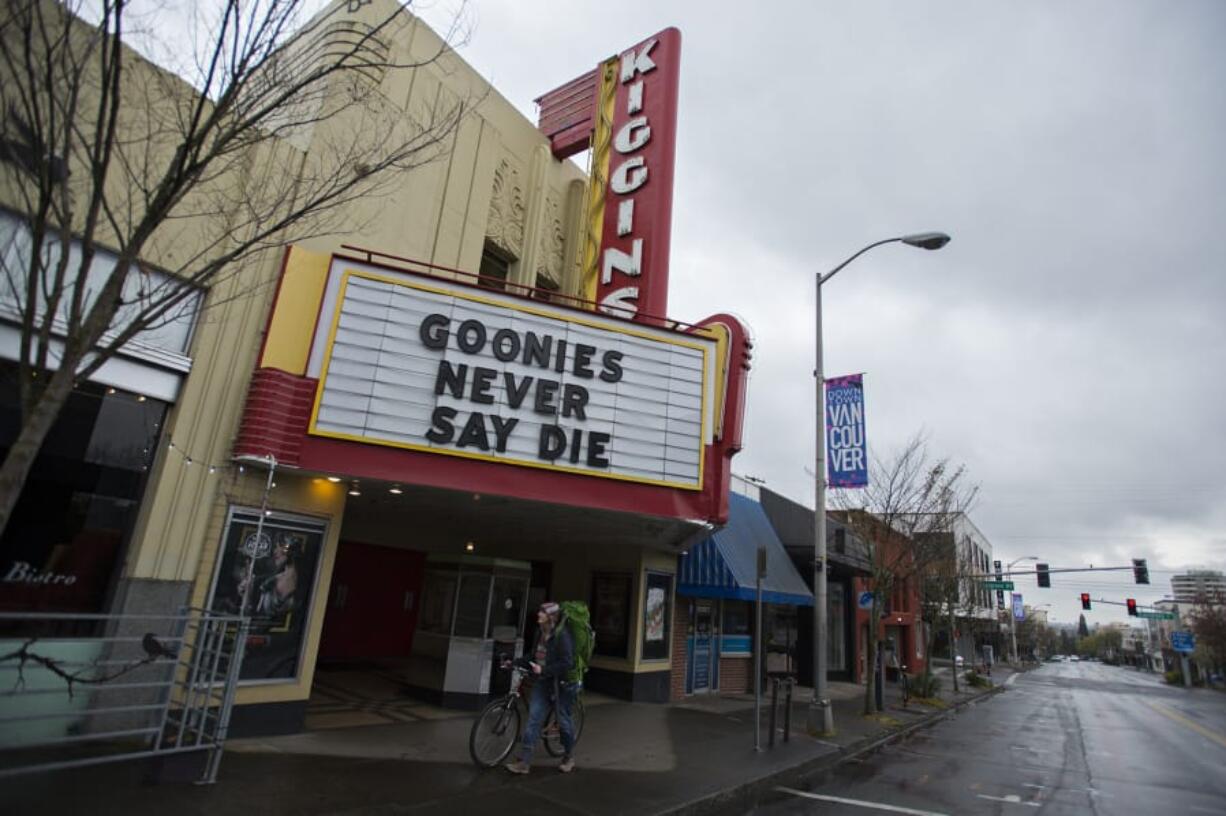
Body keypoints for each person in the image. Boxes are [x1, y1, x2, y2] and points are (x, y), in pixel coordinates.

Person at [505, 601, 577, 774]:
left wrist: (544, 669)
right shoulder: (539, 633)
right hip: (544, 682)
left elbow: (567, 663)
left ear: (551, 617)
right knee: (534, 719)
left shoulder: (563, 636)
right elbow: (533, 655)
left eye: (542, 612)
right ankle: (525, 763)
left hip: (562, 685)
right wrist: (513, 663)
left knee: (564, 724)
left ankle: (568, 756)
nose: (538, 614)